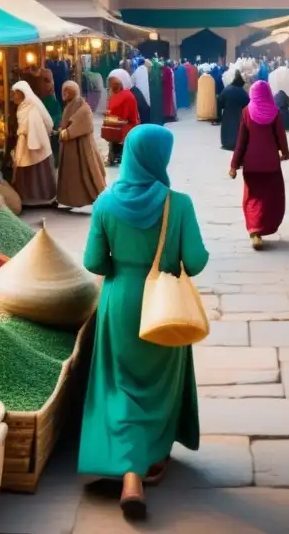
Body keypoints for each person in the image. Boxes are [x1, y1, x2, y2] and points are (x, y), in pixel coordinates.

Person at [78, 125, 208, 520]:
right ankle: (145, 466)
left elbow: (93, 262)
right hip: (161, 306)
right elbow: (197, 262)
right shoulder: (178, 204)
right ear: (159, 158)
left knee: (121, 385)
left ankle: (125, 467)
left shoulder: (104, 203)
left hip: (120, 302)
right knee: (156, 387)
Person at [230, 81, 289, 250]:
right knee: (270, 198)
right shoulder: (275, 112)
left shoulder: (246, 112)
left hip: (252, 165)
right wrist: (285, 153)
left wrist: (234, 165)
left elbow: (241, 142)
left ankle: (254, 231)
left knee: (253, 198)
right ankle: (262, 228)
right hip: (271, 164)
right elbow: (281, 136)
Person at [57, 81, 107, 209]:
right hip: (70, 148)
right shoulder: (69, 106)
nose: (66, 94)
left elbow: (84, 123)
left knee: (87, 175)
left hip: (82, 148)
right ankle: (71, 200)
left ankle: (98, 199)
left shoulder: (82, 106)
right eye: (64, 91)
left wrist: (67, 133)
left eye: (69, 91)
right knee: (73, 177)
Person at [10, 81, 57, 207]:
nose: (13, 97)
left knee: (36, 172)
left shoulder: (31, 109)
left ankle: (39, 200)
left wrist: (19, 153)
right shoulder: (23, 107)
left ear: (23, 94)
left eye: (16, 94)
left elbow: (31, 130)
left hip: (34, 146)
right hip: (28, 144)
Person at [104, 69, 140, 166]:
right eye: (111, 83)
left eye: (115, 83)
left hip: (128, 125)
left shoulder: (127, 96)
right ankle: (114, 155)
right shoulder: (115, 95)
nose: (112, 86)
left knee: (113, 128)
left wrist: (111, 118)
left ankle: (118, 156)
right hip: (119, 123)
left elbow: (125, 116)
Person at [217, 70, 249, 150]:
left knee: (227, 130)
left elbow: (219, 102)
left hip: (227, 116)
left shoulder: (227, 90)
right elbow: (248, 105)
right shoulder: (243, 92)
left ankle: (226, 143)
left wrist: (219, 116)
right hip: (239, 117)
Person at [41, 69, 64, 167]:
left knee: (54, 143)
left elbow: (57, 115)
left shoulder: (51, 99)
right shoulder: (42, 97)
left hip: (52, 127)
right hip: (48, 126)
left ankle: (55, 162)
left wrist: (51, 126)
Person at [148, 59, 165, 125]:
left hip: (152, 95)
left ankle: (154, 121)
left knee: (154, 110)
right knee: (159, 109)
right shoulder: (159, 73)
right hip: (159, 95)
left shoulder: (150, 74)